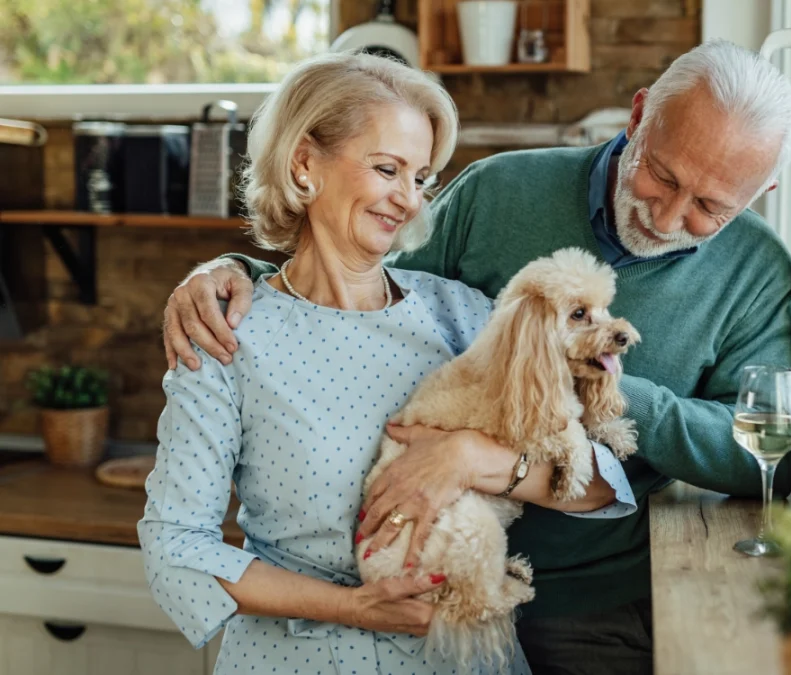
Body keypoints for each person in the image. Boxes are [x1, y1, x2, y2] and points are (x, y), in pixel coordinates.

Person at [163, 39, 791, 675]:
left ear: (762, 190)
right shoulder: (496, 196)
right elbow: (354, 273)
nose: (668, 216)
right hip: (328, 640)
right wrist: (237, 273)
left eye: (711, 208)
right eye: (662, 176)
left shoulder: (462, 312)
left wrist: (562, 394)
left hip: (577, 605)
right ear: (637, 117)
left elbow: (674, 467)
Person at [138, 52, 637, 675]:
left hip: (465, 659)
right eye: (386, 169)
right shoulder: (225, 335)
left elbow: (599, 486)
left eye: (421, 177)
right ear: (303, 164)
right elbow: (175, 549)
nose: (408, 199)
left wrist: (474, 460)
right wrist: (356, 607)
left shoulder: (463, 317)